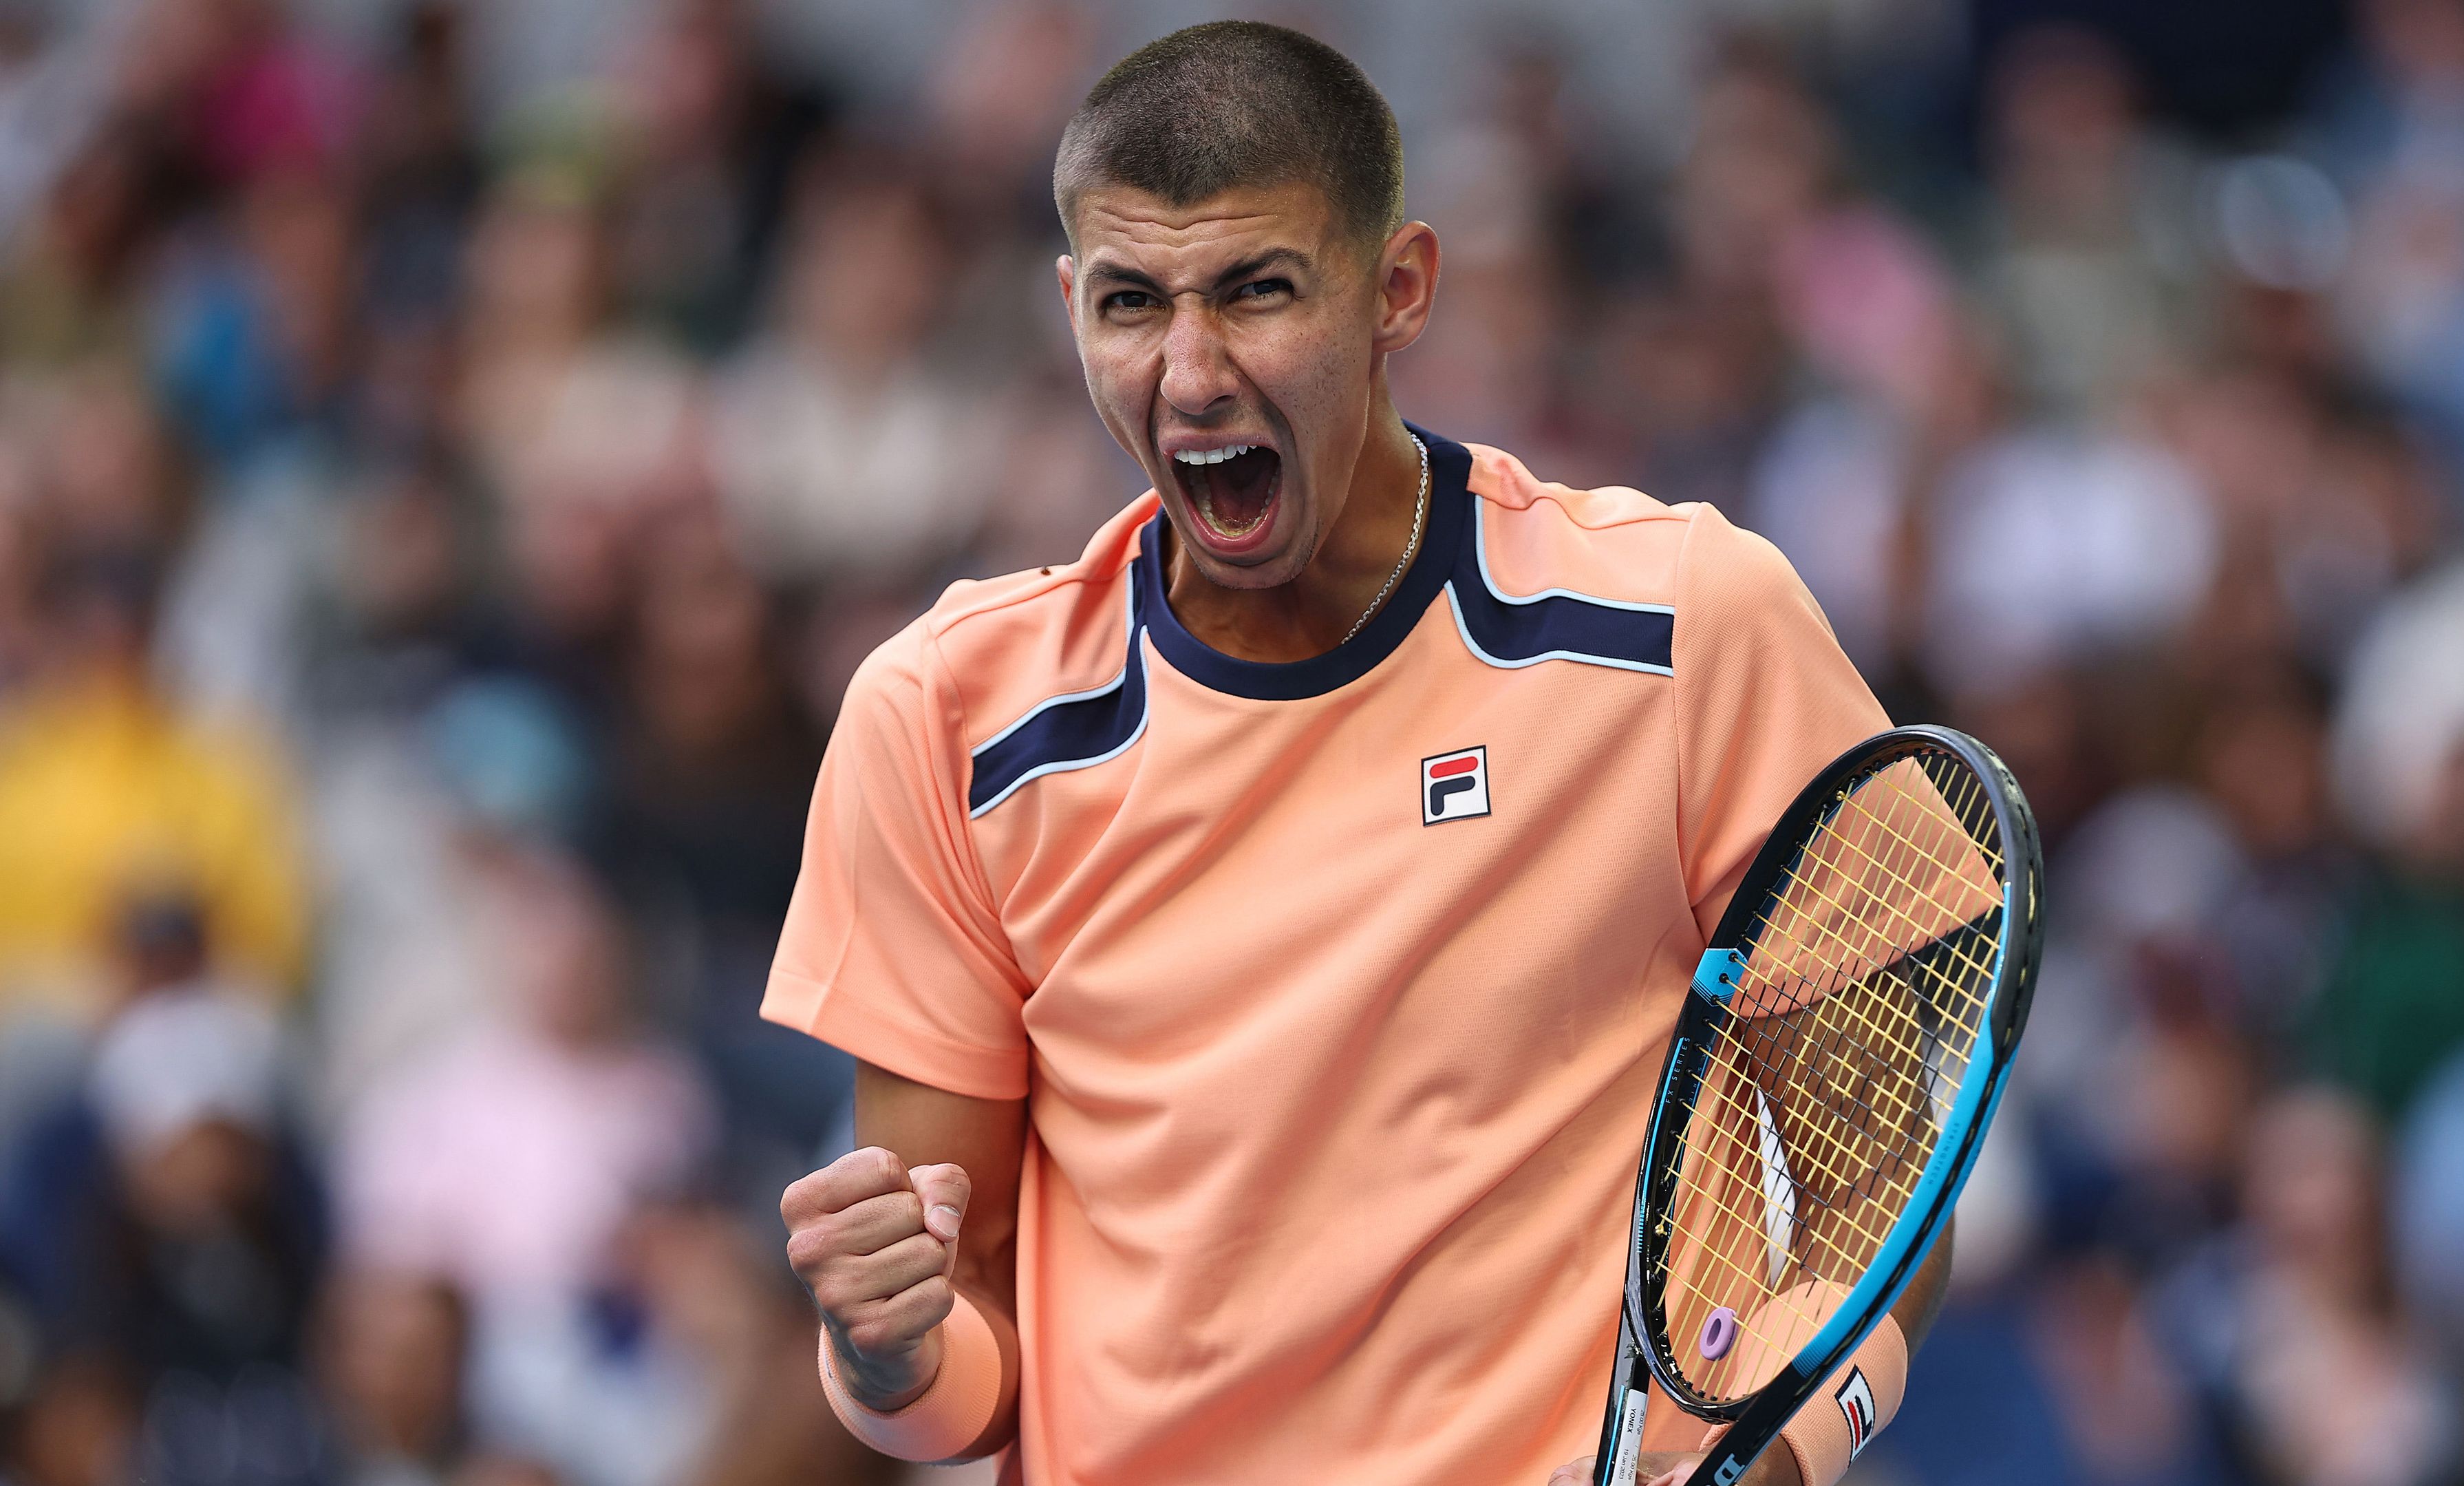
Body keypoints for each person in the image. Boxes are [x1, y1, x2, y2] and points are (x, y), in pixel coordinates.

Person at [764, 22, 1948, 1486]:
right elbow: (967, 1369)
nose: (1190, 374)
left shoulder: (1688, 625)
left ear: (1401, 290)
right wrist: (887, 1359)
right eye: (1132, 304)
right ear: (1070, 308)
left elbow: (1889, 1202)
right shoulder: (944, 720)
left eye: (1257, 291)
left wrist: (1780, 1454)